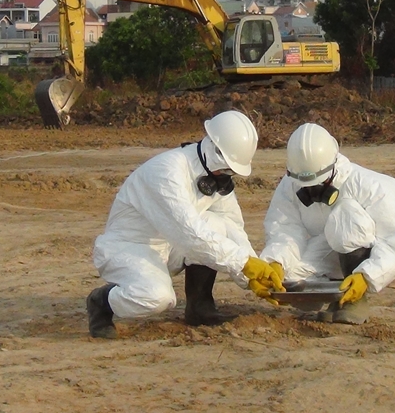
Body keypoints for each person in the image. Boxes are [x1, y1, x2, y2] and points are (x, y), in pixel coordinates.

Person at [86, 110, 284, 339]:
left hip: (169, 245)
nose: (229, 175)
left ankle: (199, 308)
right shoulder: (167, 172)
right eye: (228, 168)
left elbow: (232, 227)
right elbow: (190, 233)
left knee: (218, 225)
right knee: (157, 297)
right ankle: (102, 301)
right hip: (129, 248)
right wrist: (243, 263)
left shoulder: (214, 175)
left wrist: (252, 276)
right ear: (214, 151)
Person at [260, 123, 395, 324]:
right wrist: (276, 261)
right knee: (291, 276)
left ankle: (354, 301)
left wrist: (367, 277)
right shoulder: (290, 183)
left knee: (345, 217)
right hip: (327, 244)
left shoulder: (374, 187)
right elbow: (285, 228)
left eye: (318, 184)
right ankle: (335, 297)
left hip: (358, 248)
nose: (311, 191)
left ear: (332, 166)